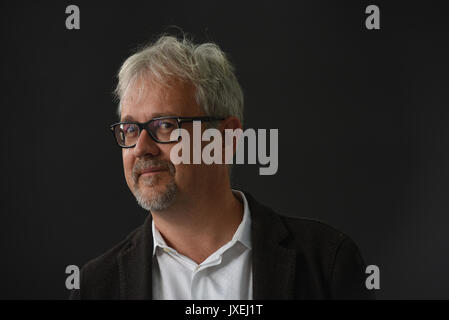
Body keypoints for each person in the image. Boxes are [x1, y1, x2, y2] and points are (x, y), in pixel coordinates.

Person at [69, 34, 374, 300]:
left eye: (164, 125)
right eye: (130, 129)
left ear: (226, 137)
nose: (141, 148)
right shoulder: (95, 287)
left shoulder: (327, 264)